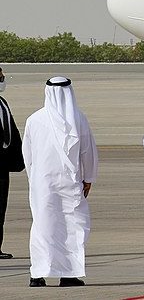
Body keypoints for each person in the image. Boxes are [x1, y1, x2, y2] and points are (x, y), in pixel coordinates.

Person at [23, 77, 98, 288]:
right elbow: (88, 152)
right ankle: (66, 273)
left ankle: (40, 274)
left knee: (43, 224)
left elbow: (27, 155)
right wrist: (88, 178)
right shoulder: (79, 119)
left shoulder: (34, 119)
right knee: (71, 226)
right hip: (69, 181)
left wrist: (34, 179)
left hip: (43, 183)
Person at [0, 67, 25, 260]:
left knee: (1, 207)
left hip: (2, 164)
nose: (3, 79)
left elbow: (11, 131)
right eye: (0, 76)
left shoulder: (2, 103)